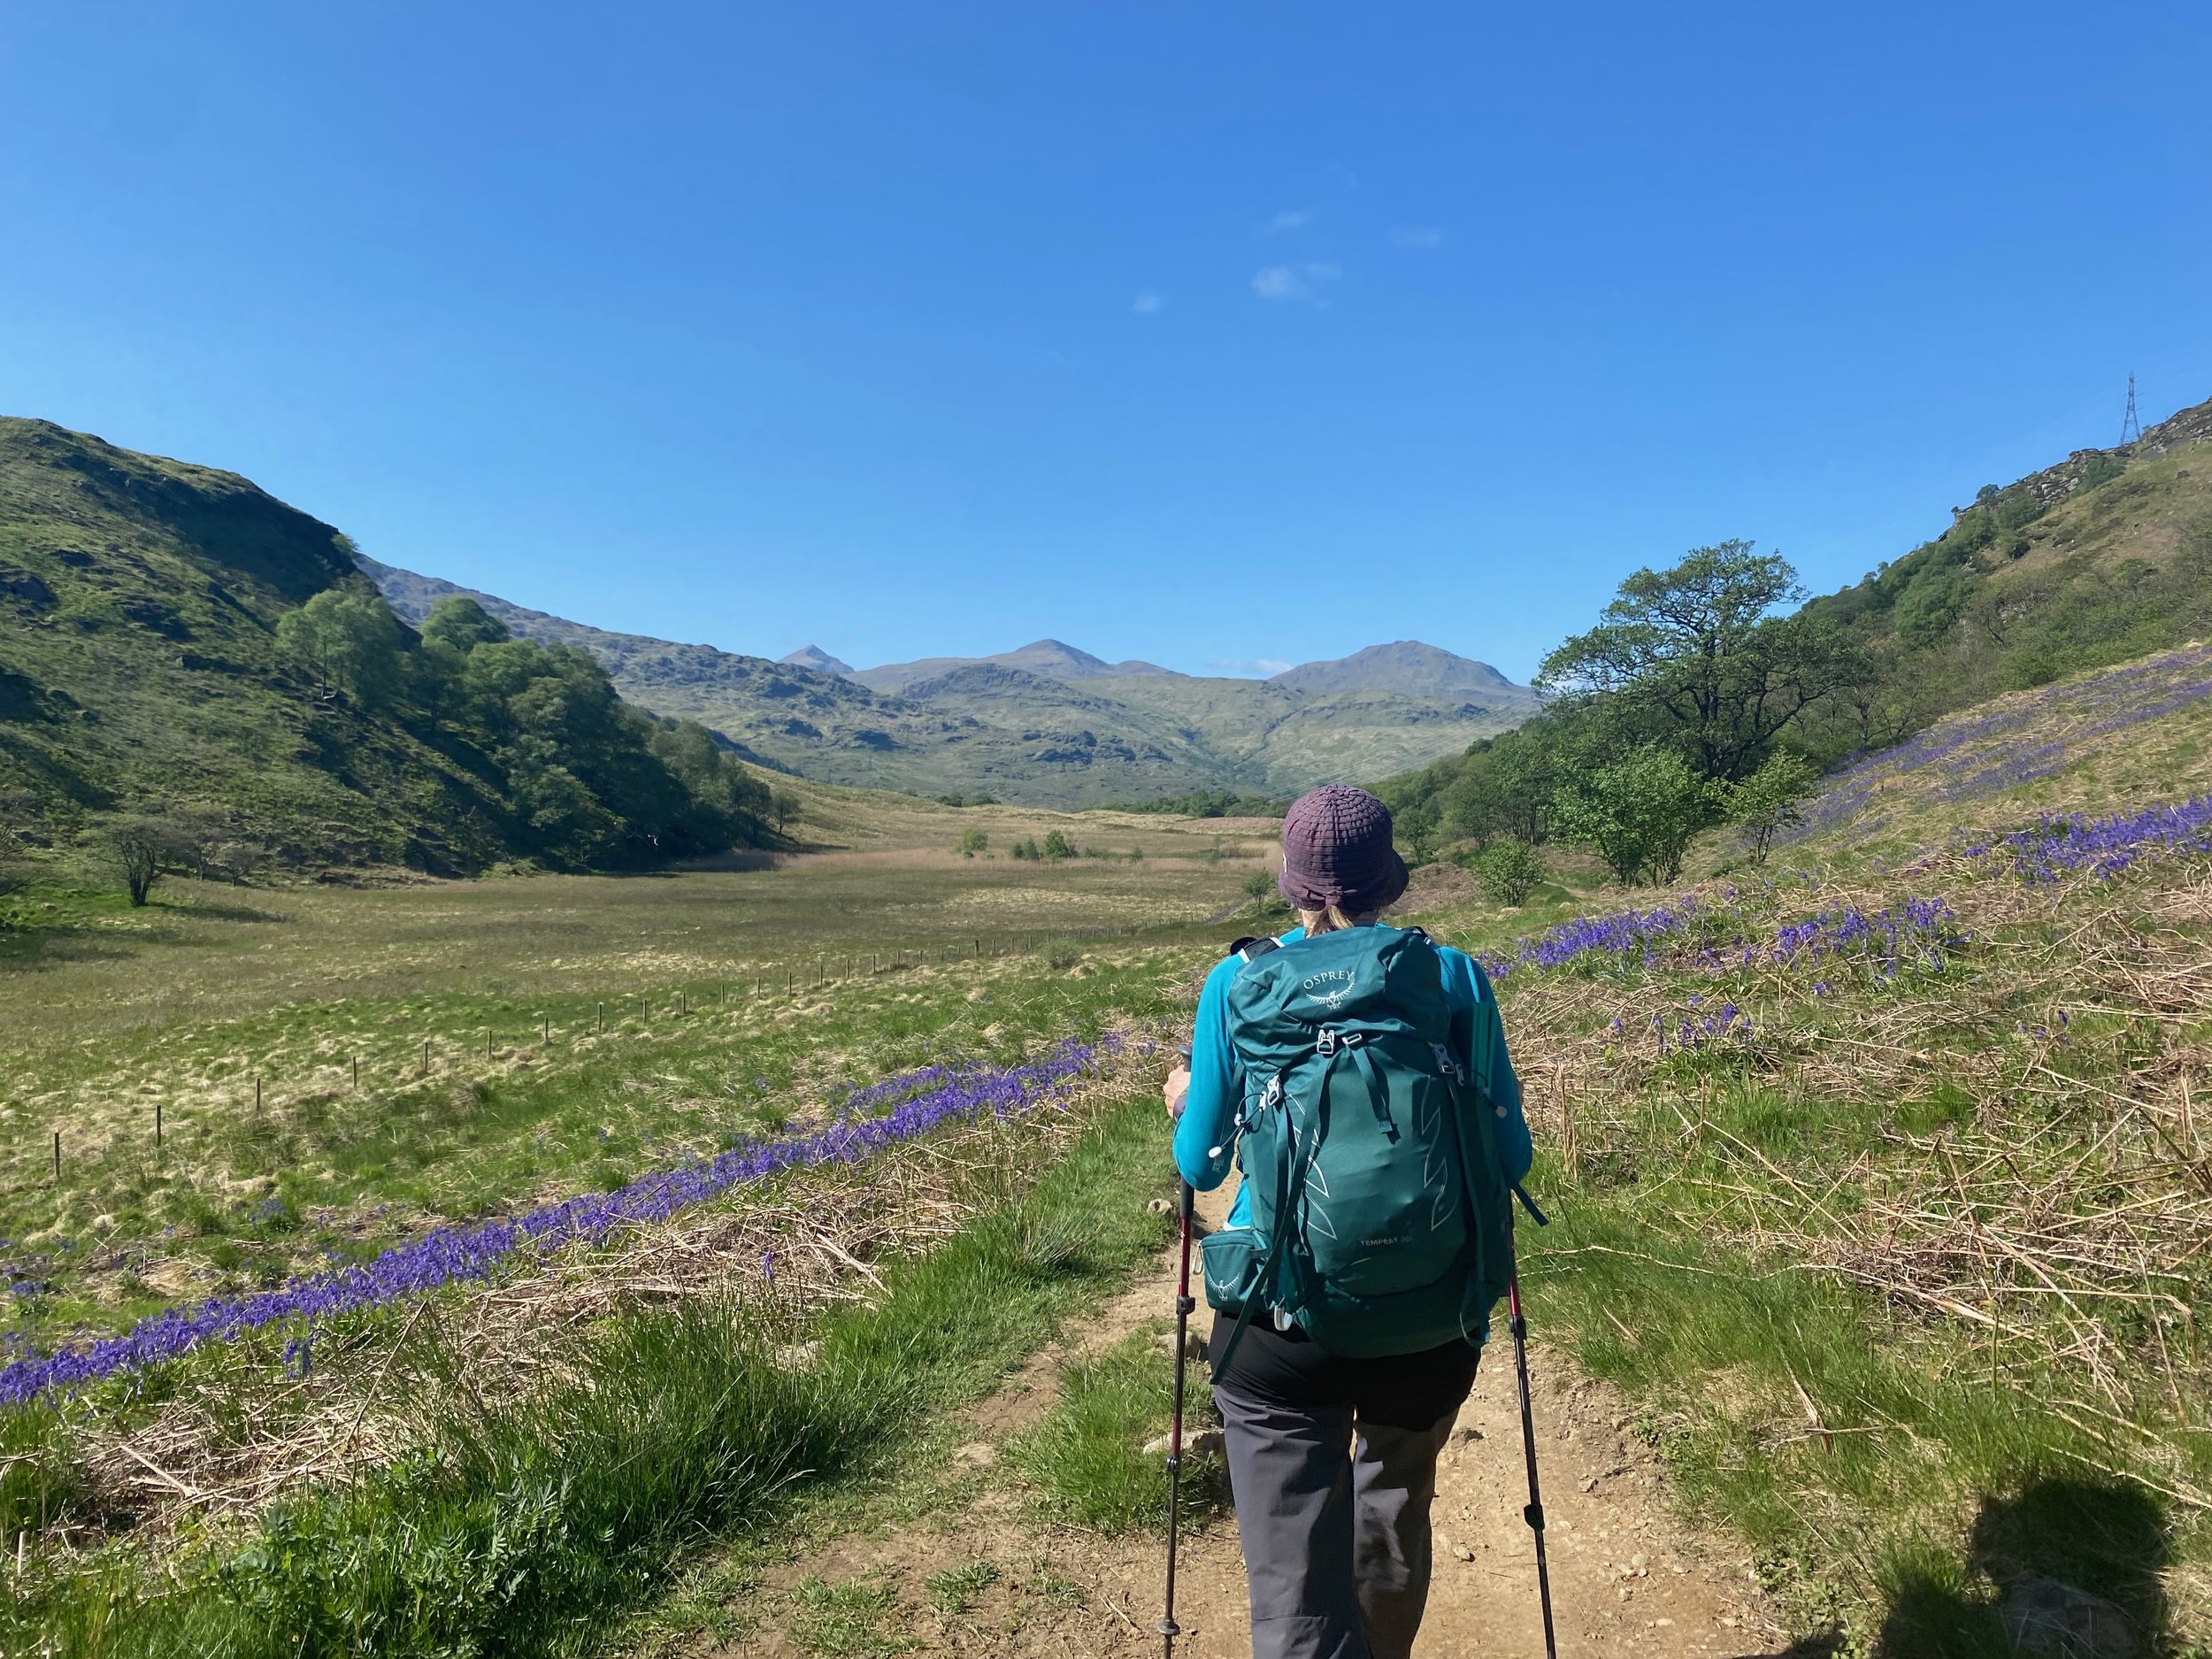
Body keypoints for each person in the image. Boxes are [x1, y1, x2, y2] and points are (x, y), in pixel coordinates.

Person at [1164, 784, 1534, 1659]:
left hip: (1279, 1322)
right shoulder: (1451, 975)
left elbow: (1200, 1165)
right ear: (1388, 879)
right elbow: (1509, 1160)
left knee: (1294, 1576)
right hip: (1430, 1314)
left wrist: (1184, 1101)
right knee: (1393, 1515)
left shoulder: (1238, 980)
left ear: (1293, 883)